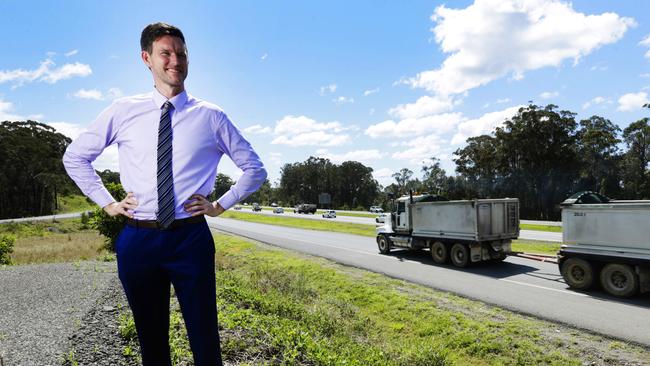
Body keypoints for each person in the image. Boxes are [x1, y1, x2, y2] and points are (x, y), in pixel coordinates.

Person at [63, 22, 267, 365]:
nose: (176, 60)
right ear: (147, 58)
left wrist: (219, 205)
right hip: (138, 240)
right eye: (166, 53)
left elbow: (255, 169)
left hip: (190, 239)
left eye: (182, 54)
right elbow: (75, 157)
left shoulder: (211, 117)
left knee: (205, 340)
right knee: (151, 341)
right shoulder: (122, 111)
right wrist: (108, 203)